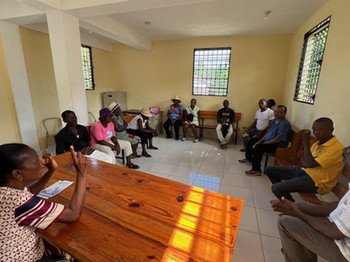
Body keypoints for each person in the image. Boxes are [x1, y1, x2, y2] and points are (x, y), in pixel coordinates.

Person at [0, 143, 86, 262]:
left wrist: (51, 170)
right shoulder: (19, 201)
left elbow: (29, 192)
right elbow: (73, 214)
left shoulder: (6, 191)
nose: (42, 162)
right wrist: (81, 173)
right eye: (35, 161)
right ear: (17, 174)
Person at [270, 146, 350, 262]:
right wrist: (298, 208)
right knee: (300, 204)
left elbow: (335, 232)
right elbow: (339, 205)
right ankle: (303, 253)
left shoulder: (333, 148)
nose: (345, 150)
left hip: (344, 250)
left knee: (285, 223)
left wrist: (298, 213)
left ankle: (297, 249)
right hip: (335, 226)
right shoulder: (318, 144)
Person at [265, 117, 344, 202]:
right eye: (314, 129)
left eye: (320, 129)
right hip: (305, 172)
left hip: (317, 183)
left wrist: (306, 143)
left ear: (331, 129)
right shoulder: (318, 143)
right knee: (269, 170)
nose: (316, 132)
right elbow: (305, 161)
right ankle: (285, 196)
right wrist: (308, 162)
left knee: (276, 188)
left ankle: (292, 206)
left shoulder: (336, 148)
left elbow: (309, 163)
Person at [239, 105, 291, 175]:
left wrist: (264, 144)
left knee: (258, 148)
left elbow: (277, 139)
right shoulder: (274, 121)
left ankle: (256, 170)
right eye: (275, 111)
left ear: (285, 113)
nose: (276, 113)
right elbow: (267, 133)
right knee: (253, 140)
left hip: (277, 145)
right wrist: (260, 141)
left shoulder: (284, 124)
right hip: (269, 141)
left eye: (279, 112)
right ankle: (249, 159)